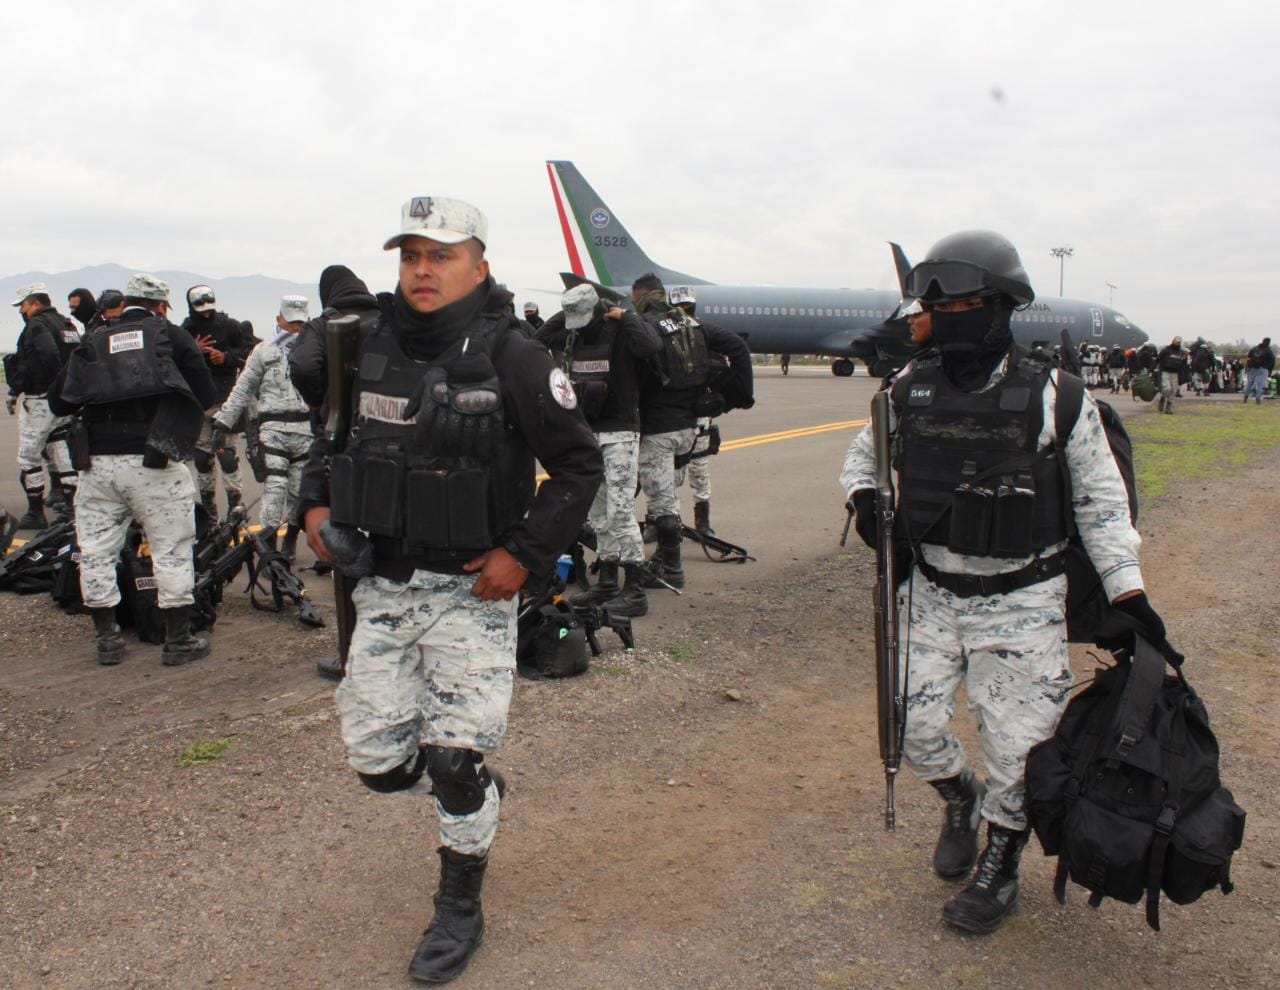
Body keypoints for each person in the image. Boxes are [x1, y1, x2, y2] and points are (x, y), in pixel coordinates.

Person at [297, 196, 601, 984]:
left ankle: (458, 902)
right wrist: (315, 504)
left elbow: (578, 466)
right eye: (410, 256)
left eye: (440, 255)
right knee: (377, 764)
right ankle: (466, 787)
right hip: (384, 586)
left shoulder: (517, 355)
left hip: (474, 593)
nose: (422, 271)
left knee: (454, 760)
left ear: (480, 264)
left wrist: (525, 556)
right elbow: (331, 438)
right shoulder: (361, 345)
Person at [839, 230, 1161, 935]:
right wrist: (866, 500)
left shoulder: (1057, 399)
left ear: (997, 307)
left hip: (1022, 599)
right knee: (912, 730)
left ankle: (1001, 862)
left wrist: (1129, 595)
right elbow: (862, 459)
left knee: (1017, 753)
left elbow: (1103, 509)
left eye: (950, 305)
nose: (934, 317)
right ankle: (960, 798)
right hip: (928, 593)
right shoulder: (906, 389)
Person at [47, 273, 217, 666]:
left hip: (97, 466)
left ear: (125, 303)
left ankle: (108, 641)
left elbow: (60, 401)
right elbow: (205, 394)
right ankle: (177, 642)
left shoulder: (94, 339)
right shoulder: (170, 336)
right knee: (171, 551)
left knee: (96, 552)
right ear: (160, 305)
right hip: (153, 460)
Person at [536, 283, 661, 616]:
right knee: (595, 512)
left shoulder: (621, 331)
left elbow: (651, 346)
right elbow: (537, 341)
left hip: (620, 431)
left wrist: (626, 315)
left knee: (620, 512)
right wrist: (566, 312)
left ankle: (635, 590)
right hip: (589, 431)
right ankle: (607, 582)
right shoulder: (572, 334)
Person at [632, 272, 752, 589]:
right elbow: (738, 346)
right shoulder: (695, 327)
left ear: (639, 296)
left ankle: (670, 567)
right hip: (688, 425)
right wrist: (740, 396)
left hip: (660, 428)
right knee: (668, 489)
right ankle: (665, 555)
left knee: (662, 501)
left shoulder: (648, 329)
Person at [212, 296, 313, 560]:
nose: (295, 328)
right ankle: (269, 548)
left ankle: (290, 538)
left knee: (299, 490)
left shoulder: (315, 350)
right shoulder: (264, 352)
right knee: (275, 487)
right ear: (279, 319)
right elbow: (243, 388)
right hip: (273, 429)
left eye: (301, 323)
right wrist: (223, 421)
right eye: (291, 322)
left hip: (305, 429)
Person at [6, 282, 82, 529]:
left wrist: (47, 384)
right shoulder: (66, 324)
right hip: (65, 401)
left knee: (29, 457)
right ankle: (71, 509)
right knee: (62, 453)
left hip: (40, 400)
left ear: (35, 303)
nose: (21, 312)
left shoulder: (38, 325)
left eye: (24, 306)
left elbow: (49, 356)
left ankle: (35, 513)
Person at [182, 284, 253, 519]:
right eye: (200, 309)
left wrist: (225, 357)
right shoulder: (185, 330)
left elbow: (249, 352)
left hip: (225, 400)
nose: (205, 313)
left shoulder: (229, 326)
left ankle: (236, 509)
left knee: (227, 455)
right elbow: (173, 360)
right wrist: (194, 349)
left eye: (208, 308)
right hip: (197, 403)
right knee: (202, 458)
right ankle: (210, 515)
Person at [289, 265, 383, 412]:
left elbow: (303, 367)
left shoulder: (320, 327)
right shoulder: (388, 321)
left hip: (341, 426)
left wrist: (318, 402)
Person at [668, 286, 719, 536]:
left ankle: (702, 521)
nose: (684, 312)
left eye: (687, 307)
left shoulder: (703, 333)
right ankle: (668, 521)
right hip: (674, 416)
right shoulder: (664, 335)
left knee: (699, 469)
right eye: (679, 308)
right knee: (670, 474)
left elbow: (720, 366)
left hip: (698, 414)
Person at [1155, 336, 1186, 414]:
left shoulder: (1181, 352)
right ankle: (1163, 398)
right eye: (1176, 342)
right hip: (1165, 372)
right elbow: (1157, 359)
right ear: (1173, 341)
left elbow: (1183, 364)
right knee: (1167, 388)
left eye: (1179, 342)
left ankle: (1169, 407)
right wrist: (1151, 369)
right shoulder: (1166, 350)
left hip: (1175, 373)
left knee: (1173, 391)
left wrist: (1185, 359)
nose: (1177, 343)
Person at [1243, 337, 1274, 404]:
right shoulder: (1269, 350)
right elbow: (1272, 361)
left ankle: (1245, 398)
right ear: (1269, 342)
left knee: (1249, 383)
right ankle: (1257, 399)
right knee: (1260, 384)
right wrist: (1269, 370)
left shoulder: (1254, 348)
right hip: (1263, 369)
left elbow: (1249, 356)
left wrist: (1248, 367)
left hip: (1252, 368)